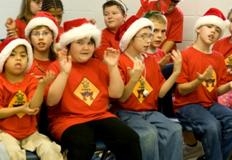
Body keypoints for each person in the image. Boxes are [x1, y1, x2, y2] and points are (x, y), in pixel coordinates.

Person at [45, 18, 142, 160]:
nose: (86, 47)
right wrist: (64, 73)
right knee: (81, 144)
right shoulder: (56, 66)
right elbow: (51, 102)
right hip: (68, 120)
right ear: (68, 46)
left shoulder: (99, 65)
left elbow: (116, 93)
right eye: (80, 42)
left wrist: (112, 66)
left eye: (90, 43)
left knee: (130, 138)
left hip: (100, 115)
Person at [173, 8, 232, 160]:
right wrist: (199, 80)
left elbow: (217, 90)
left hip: (210, 104)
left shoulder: (218, 58)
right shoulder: (185, 55)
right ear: (198, 29)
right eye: (209, 27)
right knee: (213, 126)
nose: (213, 31)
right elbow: (181, 90)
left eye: (218, 30)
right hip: (187, 105)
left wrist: (231, 85)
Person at [114, 15, 183, 160]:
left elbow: (161, 93)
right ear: (131, 37)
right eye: (143, 36)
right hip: (127, 113)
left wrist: (176, 72)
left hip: (150, 112)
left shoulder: (150, 60)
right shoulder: (119, 61)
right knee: (149, 133)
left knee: (174, 129)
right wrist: (133, 79)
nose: (148, 40)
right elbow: (121, 98)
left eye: (150, 36)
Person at [0, 37, 63, 160]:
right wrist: (19, 109)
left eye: (23, 55)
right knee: (12, 153)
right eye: (12, 55)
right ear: (3, 59)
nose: (18, 58)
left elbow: (33, 107)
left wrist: (41, 86)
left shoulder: (31, 80)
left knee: (50, 150)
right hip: (5, 133)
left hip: (31, 133)